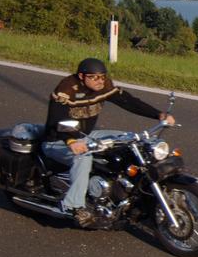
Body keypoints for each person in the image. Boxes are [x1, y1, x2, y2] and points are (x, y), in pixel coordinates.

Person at [42, 57, 175, 227]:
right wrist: (71, 140)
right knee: (83, 157)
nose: (100, 81)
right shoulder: (67, 89)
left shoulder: (103, 86)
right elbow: (56, 119)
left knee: (129, 140)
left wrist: (159, 115)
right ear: (82, 76)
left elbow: (128, 101)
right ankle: (72, 206)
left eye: (102, 76)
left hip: (87, 135)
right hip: (58, 141)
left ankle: (129, 194)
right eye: (94, 77)